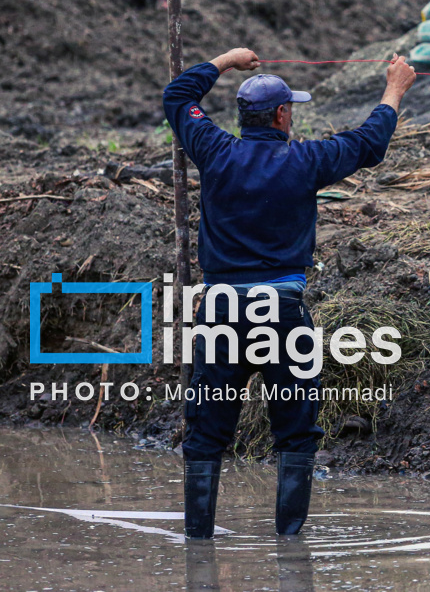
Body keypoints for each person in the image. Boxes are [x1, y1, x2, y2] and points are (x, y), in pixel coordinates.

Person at [163, 49, 416, 538]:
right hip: (281, 314)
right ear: (282, 115)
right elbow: (368, 144)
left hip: (222, 313)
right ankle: (290, 550)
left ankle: (198, 543)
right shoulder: (306, 161)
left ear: (243, 116)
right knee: (296, 433)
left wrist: (225, 60)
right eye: (291, 110)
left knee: (206, 435)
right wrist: (394, 89)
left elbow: (177, 96)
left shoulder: (215, 150)